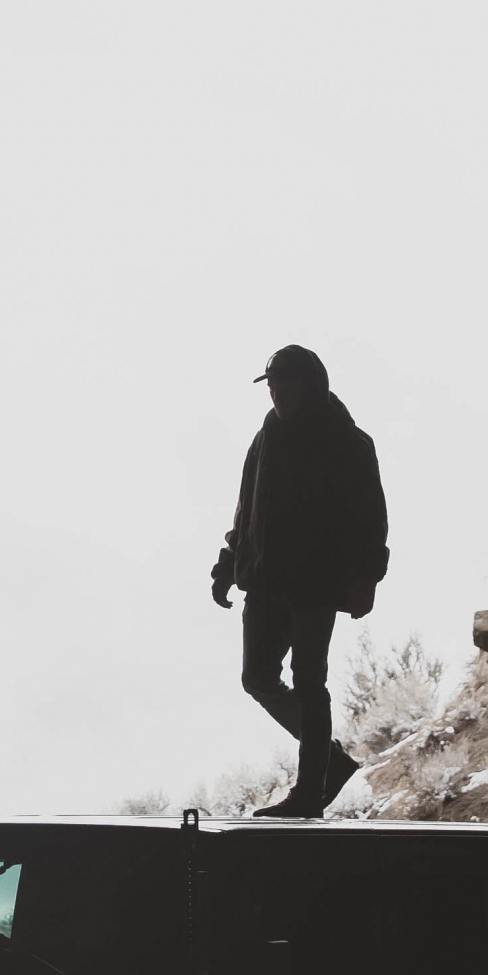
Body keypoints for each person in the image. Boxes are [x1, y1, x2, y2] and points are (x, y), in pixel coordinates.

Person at [211, 344, 389, 818]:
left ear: (310, 385)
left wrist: (366, 578)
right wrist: (228, 563)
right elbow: (246, 508)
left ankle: (310, 790)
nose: (274, 392)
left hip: (316, 584)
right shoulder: (264, 439)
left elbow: (372, 519)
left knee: (310, 682)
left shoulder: (348, 441)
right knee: (257, 678)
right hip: (265, 581)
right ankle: (329, 761)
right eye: (270, 384)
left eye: (283, 383)